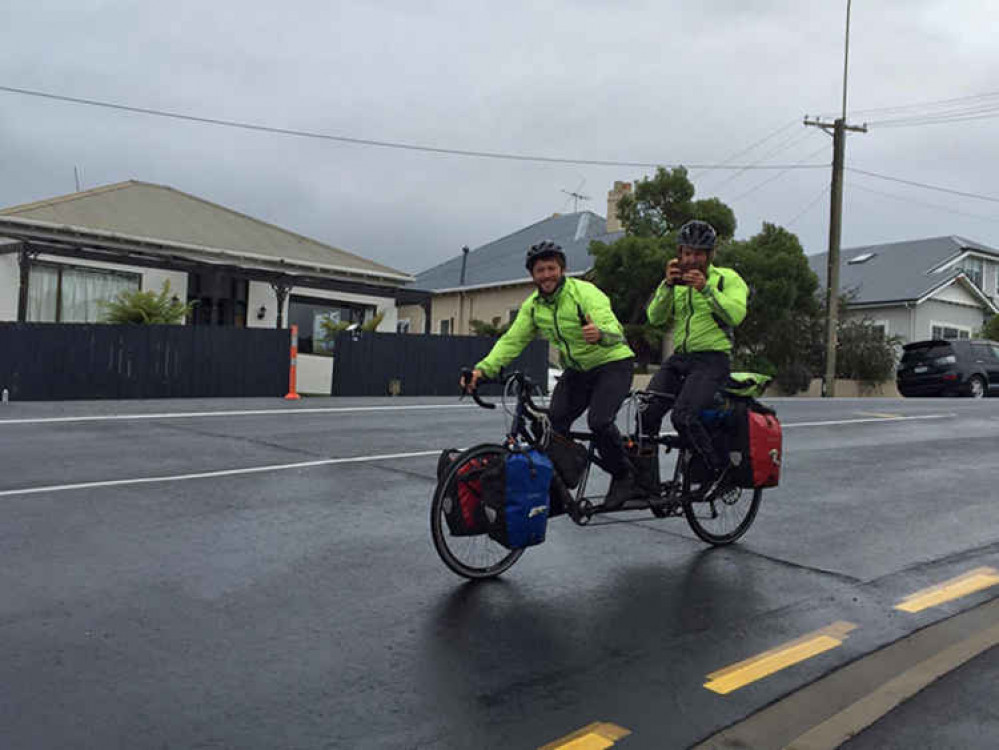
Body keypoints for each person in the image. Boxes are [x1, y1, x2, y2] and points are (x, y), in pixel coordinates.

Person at [461, 240, 637, 509]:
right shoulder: (533, 307)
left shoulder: (584, 293)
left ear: (562, 269)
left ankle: (624, 476)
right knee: (554, 426)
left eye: (551, 268)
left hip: (612, 363)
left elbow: (615, 330)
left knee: (599, 422)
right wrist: (482, 370)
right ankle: (566, 478)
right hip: (578, 371)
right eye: (540, 270)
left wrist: (600, 334)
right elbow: (512, 341)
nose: (546, 275)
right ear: (532, 275)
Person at [639, 220, 749, 498]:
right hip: (681, 358)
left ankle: (719, 471)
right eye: (687, 253)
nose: (691, 260)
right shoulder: (675, 284)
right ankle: (646, 484)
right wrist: (666, 285)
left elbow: (736, 314)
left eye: (699, 254)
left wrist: (706, 290)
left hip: (713, 359)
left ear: (710, 255)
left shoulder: (726, 278)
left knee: (684, 417)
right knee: (646, 414)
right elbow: (654, 318)